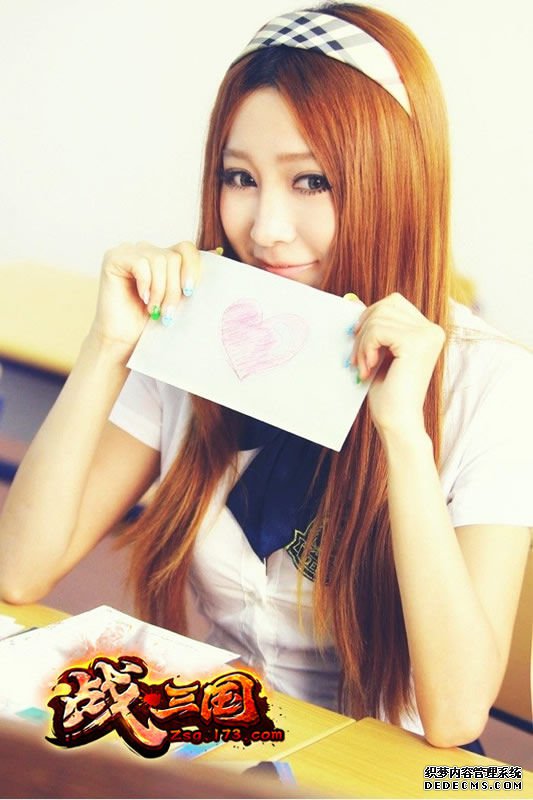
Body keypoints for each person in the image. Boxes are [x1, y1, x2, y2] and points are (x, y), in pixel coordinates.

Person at [0, 3, 531, 751]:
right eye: (240, 177)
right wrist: (107, 345)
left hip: (408, 778)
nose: (266, 229)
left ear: (396, 184)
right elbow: (18, 572)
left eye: (312, 181)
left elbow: (454, 716)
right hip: (224, 744)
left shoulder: (491, 380)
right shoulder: (199, 326)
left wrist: (402, 437)